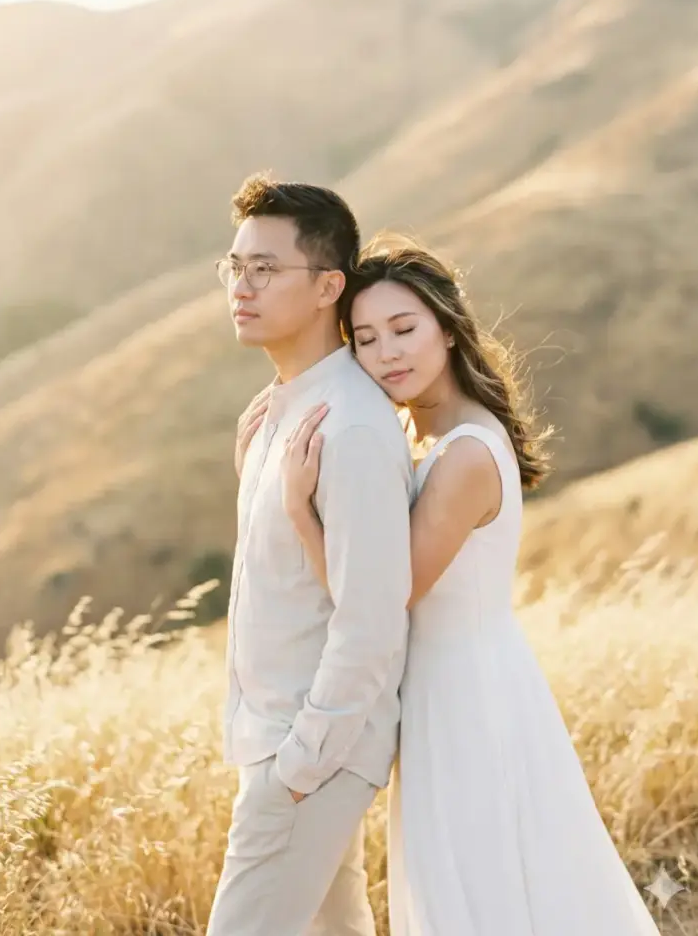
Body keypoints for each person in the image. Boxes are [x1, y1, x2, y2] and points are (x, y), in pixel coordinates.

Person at [255, 238, 664, 935]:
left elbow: (382, 596)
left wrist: (297, 511)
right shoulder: (425, 436)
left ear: (447, 326)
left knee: (476, 887)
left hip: (468, 696)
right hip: (448, 689)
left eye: (404, 329)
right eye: (366, 338)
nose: (387, 353)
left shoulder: (465, 453)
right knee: (474, 882)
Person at [206, 175, 415, 936]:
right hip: (283, 743)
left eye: (265, 268)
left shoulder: (352, 429)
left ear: (329, 285)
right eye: (234, 267)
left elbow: (371, 616)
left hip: (308, 752)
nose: (241, 286)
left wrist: (302, 763)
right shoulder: (277, 412)